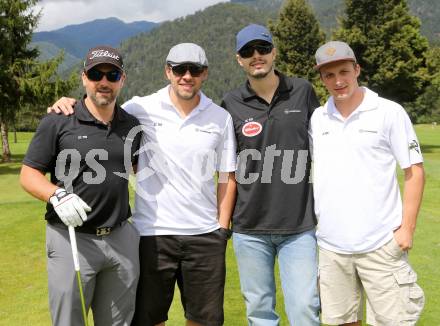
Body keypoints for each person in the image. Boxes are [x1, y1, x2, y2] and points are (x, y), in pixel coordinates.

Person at [49, 43, 237, 326]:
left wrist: (222, 229)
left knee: (205, 319)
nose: (187, 75)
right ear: (167, 72)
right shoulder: (141, 107)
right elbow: (99, 107)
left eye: (194, 70)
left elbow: (227, 176)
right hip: (152, 233)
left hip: (205, 235)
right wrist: (69, 103)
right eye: (179, 69)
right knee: (149, 319)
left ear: (205, 74)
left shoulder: (220, 117)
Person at [20, 46, 142, 326]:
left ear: (122, 80)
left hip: (121, 237)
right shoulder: (58, 120)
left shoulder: (132, 126)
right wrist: (56, 194)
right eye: (95, 74)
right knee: (69, 321)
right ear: (83, 78)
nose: (104, 81)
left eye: (111, 75)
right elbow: (28, 174)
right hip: (71, 238)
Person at [310, 40, 425, 325]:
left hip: (381, 245)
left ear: (356, 69)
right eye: (329, 75)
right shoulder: (318, 118)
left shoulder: (389, 112)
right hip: (332, 247)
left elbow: (414, 171)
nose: (338, 81)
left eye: (344, 72)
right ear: (322, 79)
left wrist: (406, 229)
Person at [221, 24, 320, 325]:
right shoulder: (230, 103)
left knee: (304, 309)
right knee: (260, 313)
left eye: (262, 49)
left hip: (300, 226)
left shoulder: (303, 92)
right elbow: (228, 170)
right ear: (239, 59)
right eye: (248, 52)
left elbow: (327, 143)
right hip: (250, 229)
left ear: (274, 52)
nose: (256, 56)